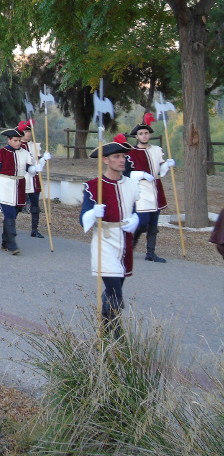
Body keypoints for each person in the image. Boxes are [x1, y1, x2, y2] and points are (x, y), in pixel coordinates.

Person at [80, 134, 141, 332]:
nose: (121, 160)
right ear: (105, 160)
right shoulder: (93, 186)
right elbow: (82, 218)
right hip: (104, 242)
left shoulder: (132, 184)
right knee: (115, 292)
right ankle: (115, 333)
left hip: (125, 242)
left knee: (115, 289)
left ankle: (105, 328)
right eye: (116, 157)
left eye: (123, 156)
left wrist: (135, 219)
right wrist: (92, 213)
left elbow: (137, 210)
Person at [125, 113, 175, 263]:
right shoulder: (131, 153)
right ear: (137, 136)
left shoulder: (156, 150)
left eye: (146, 133)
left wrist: (167, 165)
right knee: (142, 222)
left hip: (155, 189)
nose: (144, 135)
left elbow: (160, 171)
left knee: (153, 223)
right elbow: (127, 173)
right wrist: (142, 174)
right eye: (141, 133)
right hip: (141, 191)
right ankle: (129, 247)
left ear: (149, 134)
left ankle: (150, 253)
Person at [0, 123, 37, 255]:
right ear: (9, 140)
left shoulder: (25, 153)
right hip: (4, 185)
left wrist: (37, 167)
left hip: (20, 185)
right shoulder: (0, 153)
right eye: (15, 140)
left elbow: (28, 169)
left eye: (20, 140)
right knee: (9, 214)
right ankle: (13, 244)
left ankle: (5, 242)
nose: (18, 143)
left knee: (14, 214)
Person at [21, 120, 52, 238]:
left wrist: (44, 158)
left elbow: (38, 162)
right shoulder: (18, 146)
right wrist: (34, 168)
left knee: (35, 206)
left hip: (34, 180)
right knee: (17, 205)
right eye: (25, 131)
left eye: (29, 131)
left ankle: (34, 229)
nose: (28, 134)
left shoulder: (34, 146)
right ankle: (9, 225)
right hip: (23, 178)